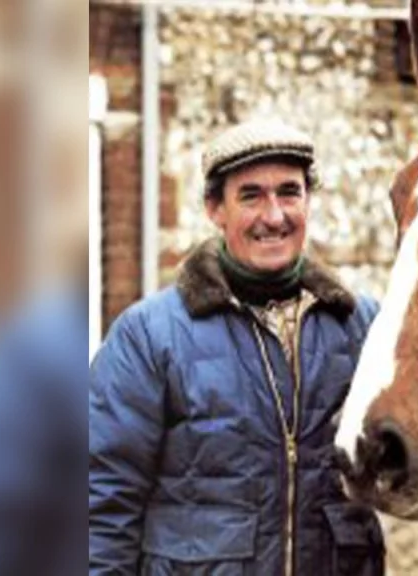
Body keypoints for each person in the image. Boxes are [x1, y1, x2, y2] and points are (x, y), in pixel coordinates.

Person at [89, 120, 384, 575]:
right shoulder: (149, 334)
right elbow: (104, 497)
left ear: (309, 199)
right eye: (251, 195)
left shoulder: (361, 324)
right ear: (215, 208)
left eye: (289, 192)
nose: (274, 216)